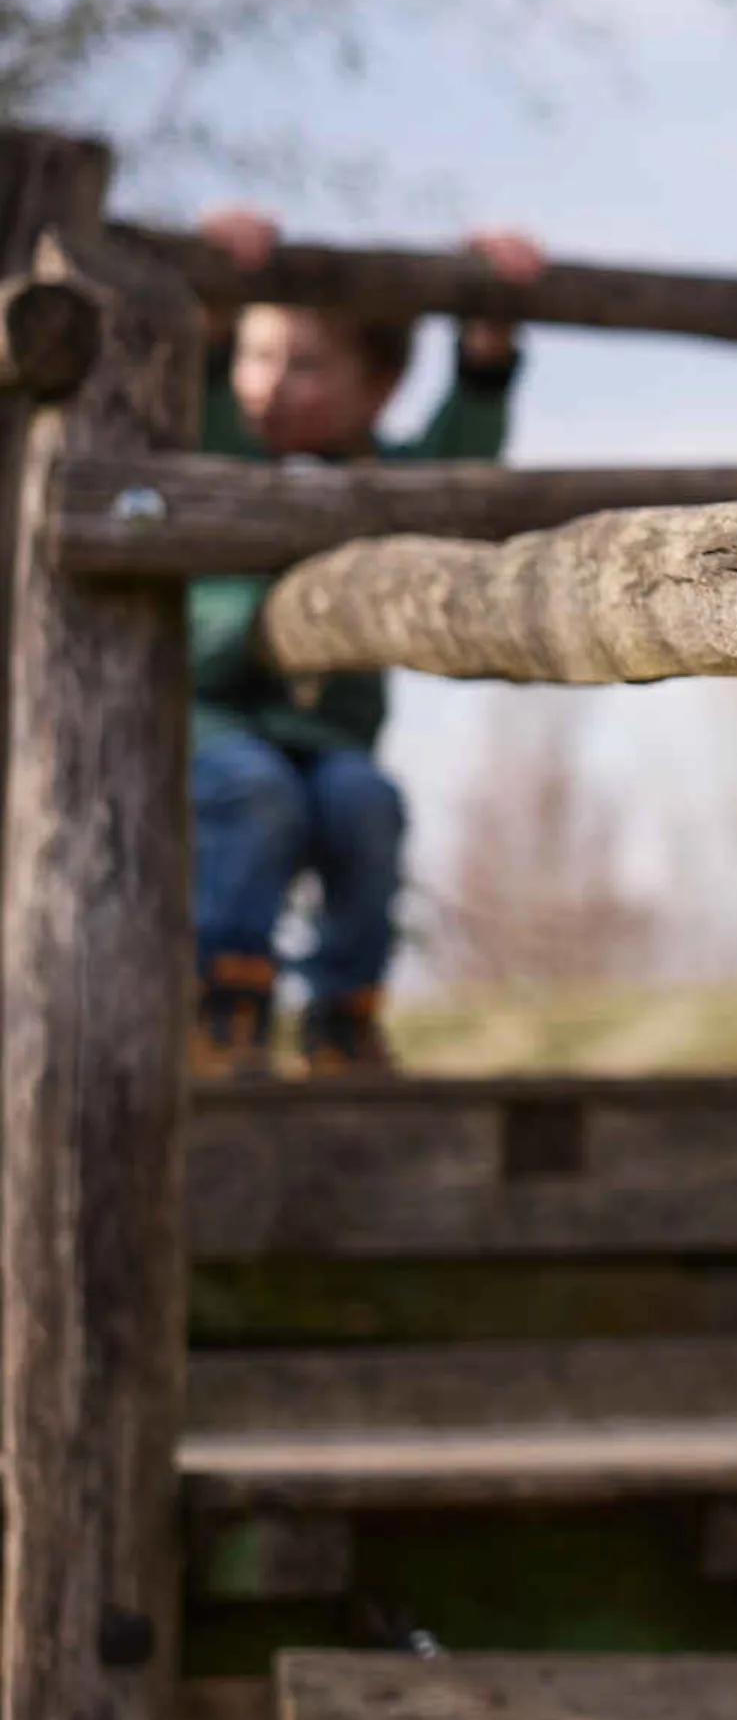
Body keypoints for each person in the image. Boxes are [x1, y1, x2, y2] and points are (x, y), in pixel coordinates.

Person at [186, 206, 547, 1076]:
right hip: (210, 729)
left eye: (304, 365)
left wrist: (487, 338)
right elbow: (196, 388)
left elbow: (464, 464)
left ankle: (344, 1017)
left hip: (332, 740)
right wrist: (218, 296)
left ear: (378, 388)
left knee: (367, 806)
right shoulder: (223, 447)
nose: (269, 384)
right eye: (257, 357)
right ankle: (221, 1005)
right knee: (257, 794)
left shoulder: (385, 481)